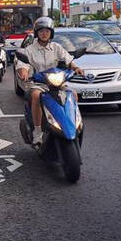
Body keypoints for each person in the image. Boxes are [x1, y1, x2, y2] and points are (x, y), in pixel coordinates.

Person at [16, 16, 85, 148]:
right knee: (36, 96)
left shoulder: (56, 47)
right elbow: (22, 64)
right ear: (37, 33)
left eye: (47, 31)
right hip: (38, 84)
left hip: (57, 83)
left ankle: (75, 124)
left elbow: (68, 60)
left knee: (73, 94)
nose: (44, 33)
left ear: (51, 33)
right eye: (41, 31)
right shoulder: (30, 49)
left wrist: (76, 68)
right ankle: (37, 132)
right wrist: (23, 72)